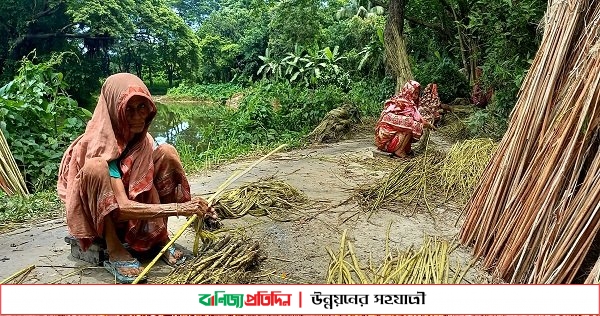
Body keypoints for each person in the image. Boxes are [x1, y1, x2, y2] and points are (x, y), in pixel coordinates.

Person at [57, 73, 217, 283]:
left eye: (142, 107)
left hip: (137, 211)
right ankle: (114, 247)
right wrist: (180, 209)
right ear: (115, 110)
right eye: (128, 110)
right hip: (102, 216)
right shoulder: (99, 145)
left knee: (167, 153)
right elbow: (121, 207)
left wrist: (199, 211)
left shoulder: (142, 139)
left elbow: (148, 182)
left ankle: (160, 237)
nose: (137, 116)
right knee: (96, 168)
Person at [375, 80, 435, 158]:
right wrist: (426, 125)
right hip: (385, 142)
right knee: (410, 127)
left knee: (412, 125)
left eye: (416, 93)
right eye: (413, 92)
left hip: (388, 139)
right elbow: (411, 123)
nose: (415, 96)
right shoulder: (401, 104)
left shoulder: (407, 104)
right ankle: (399, 151)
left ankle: (401, 149)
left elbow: (420, 119)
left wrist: (428, 124)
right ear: (408, 91)